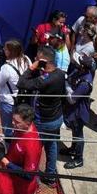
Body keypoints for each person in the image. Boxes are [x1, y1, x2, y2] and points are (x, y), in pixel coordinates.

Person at [18, 46, 66, 184]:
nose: (35, 60)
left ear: (44, 61)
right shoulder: (60, 74)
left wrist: (32, 68)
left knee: (35, 148)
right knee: (51, 145)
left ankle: (31, 177)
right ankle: (51, 175)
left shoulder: (45, 80)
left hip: (43, 121)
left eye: (37, 59)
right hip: (56, 117)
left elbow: (22, 82)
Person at [0, 40, 31, 137]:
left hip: (7, 103)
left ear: (10, 52)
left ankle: (8, 148)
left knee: (7, 128)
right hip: (22, 100)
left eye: (5, 49)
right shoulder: (27, 59)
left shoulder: (6, 67)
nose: (3, 51)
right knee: (19, 126)